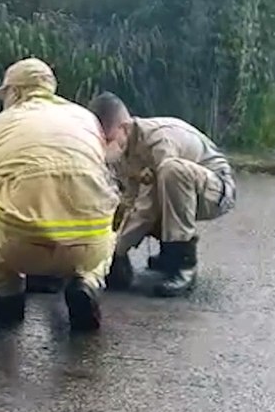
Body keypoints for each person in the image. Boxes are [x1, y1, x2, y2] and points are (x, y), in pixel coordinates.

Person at [0, 58, 119, 331]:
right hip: (87, 249)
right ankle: (88, 282)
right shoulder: (86, 118)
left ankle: (7, 290)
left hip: (19, 248)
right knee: (105, 213)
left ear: (15, 92)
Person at [88, 91, 237, 297]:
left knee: (170, 172)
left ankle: (184, 264)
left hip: (217, 190)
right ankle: (168, 255)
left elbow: (148, 206)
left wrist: (116, 251)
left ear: (124, 128)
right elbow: (128, 201)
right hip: (183, 190)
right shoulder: (125, 149)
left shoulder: (159, 139)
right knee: (130, 201)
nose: (105, 147)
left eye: (108, 139)